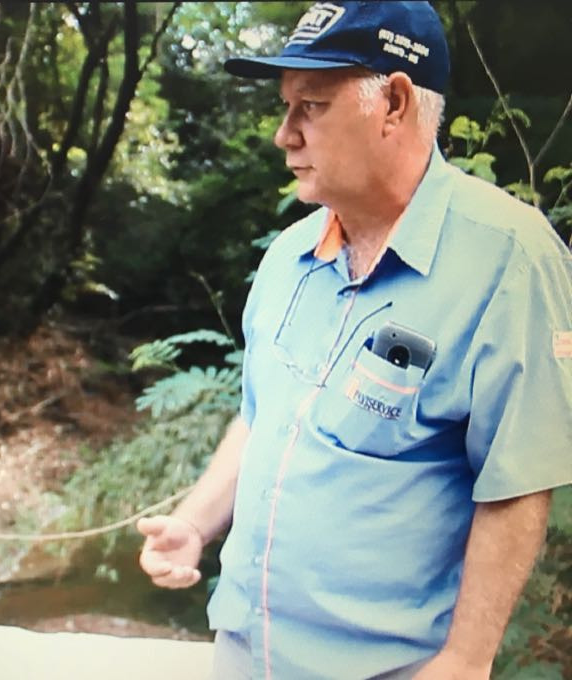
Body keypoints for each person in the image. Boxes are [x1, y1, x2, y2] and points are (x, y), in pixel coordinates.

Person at [137, 2, 572, 679]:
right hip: (245, 652)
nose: (285, 136)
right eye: (286, 109)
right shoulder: (288, 256)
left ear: (393, 104)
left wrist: (464, 661)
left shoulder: (511, 259)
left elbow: (516, 484)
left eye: (309, 106)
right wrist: (195, 522)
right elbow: (262, 415)